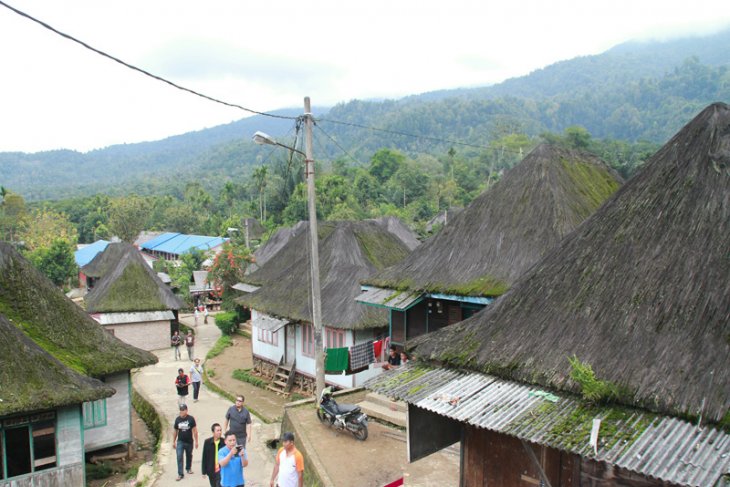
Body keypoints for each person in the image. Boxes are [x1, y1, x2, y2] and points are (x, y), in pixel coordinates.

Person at [172, 404, 198, 481]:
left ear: (186, 410)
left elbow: (195, 431)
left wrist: (196, 441)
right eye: (181, 410)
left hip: (189, 441)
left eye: (183, 410)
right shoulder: (177, 420)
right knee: (179, 456)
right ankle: (180, 474)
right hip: (180, 441)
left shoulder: (191, 419)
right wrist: (173, 441)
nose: (182, 411)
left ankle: (188, 468)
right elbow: (175, 431)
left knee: (189, 455)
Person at [201, 423, 223, 487]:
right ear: (213, 432)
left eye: (220, 430)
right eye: (217, 430)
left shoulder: (224, 442)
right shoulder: (207, 442)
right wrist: (203, 471)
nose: (219, 432)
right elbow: (204, 457)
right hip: (211, 470)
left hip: (221, 470)